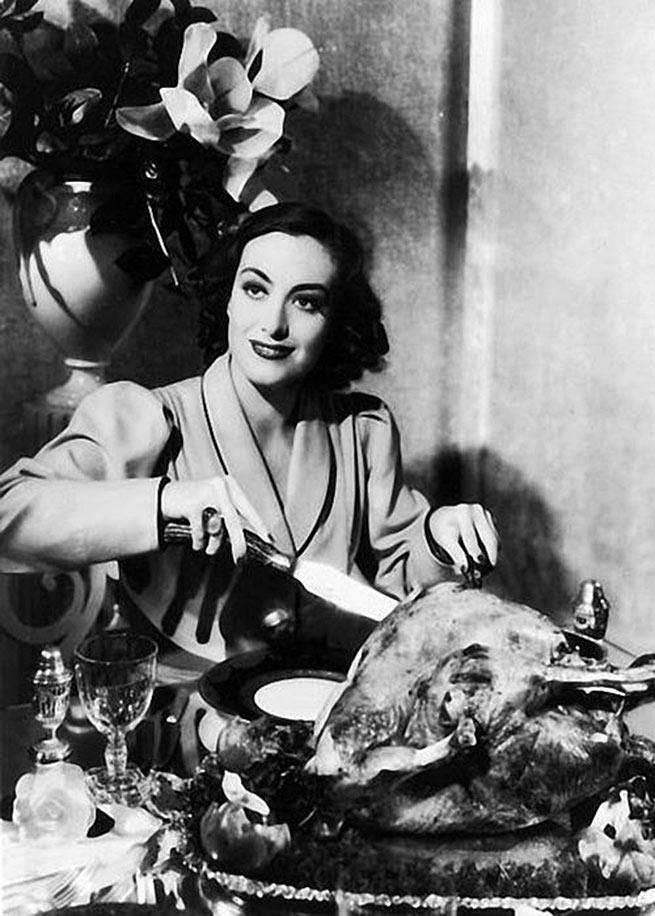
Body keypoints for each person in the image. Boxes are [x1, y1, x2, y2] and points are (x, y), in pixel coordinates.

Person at [0, 202, 499, 680]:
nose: (274, 324)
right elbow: (9, 515)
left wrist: (438, 538)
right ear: (228, 299)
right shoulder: (145, 418)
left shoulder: (362, 430)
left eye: (306, 302)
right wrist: (164, 503)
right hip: (183, 716)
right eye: (256, 289)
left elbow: (400, 584)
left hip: (328, 701)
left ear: (335, 321)